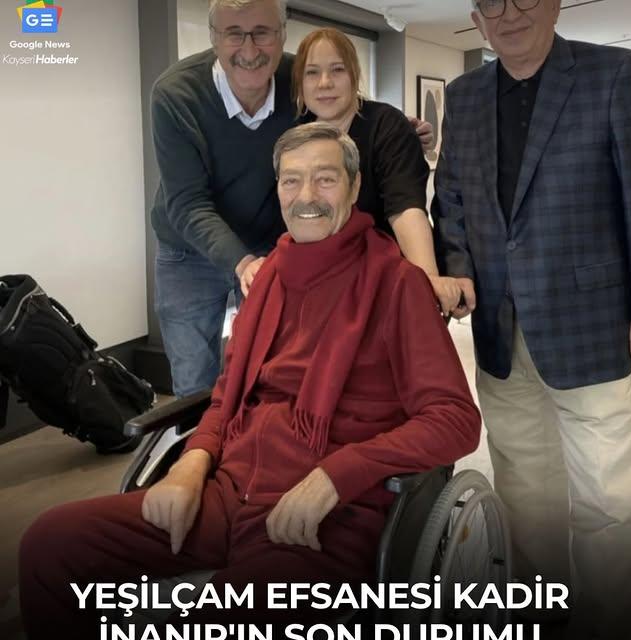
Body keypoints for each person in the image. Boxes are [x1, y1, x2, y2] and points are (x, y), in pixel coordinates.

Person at [19, 123, 480, 639]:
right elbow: (226, 397)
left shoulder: (397, 285)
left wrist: (337, 475)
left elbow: (455, 419)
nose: (306, 196)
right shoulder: (268, 279)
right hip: (226, 494)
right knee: (50, 545)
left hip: (326, 520)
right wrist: (191, 465)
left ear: (353, 188)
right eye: (291, 180)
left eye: (326, 179)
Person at [431, 0, 631, 636]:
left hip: (592, 321)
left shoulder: (616, 75)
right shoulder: (464, 95)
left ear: (553, 4)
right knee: (525, 493)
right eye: (491, 2)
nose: (509, 13)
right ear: (476, 18)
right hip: (498, 325)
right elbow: (452, 198)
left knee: (609, 498)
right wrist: (458, 266)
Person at [151, 0, 433, 397]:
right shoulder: (176, 94)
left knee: (269, 370)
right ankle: (203, 437)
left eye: (262, 32)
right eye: (234, 34)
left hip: (268, 243)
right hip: (190, 252)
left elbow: (342, 109)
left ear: (283, 34)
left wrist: (400, 129)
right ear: (213, 38)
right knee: (195, 381)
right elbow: (187, 203)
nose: (250, 50)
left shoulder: (296, 76)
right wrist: (243, 263)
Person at [242, 27, 461, 315]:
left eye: (337, 70)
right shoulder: (295, 135)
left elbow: (405, 209)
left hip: (384, 276)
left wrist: (427, 278)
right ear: (300, 83)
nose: (325, 83)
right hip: (322, 279)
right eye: (312, 73)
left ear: (354, 75)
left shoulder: (386, 125)